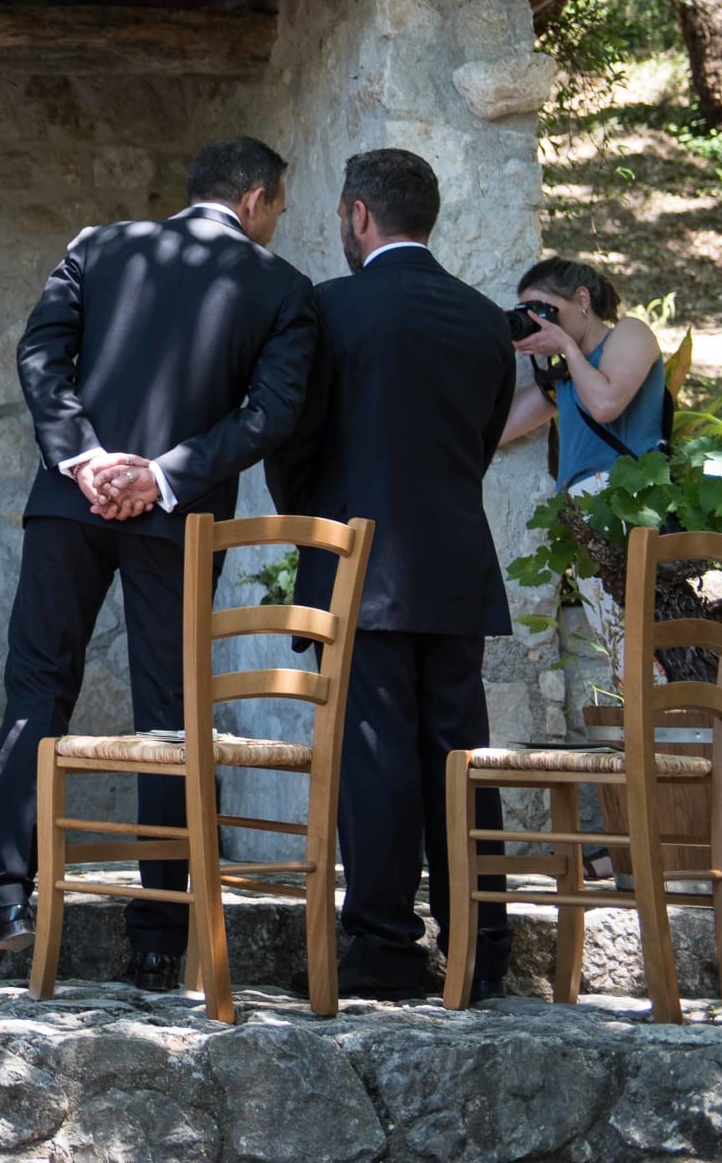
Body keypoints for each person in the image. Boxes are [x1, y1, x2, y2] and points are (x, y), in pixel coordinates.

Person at [0, 135, 318, 993]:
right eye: (281, 207)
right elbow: (272, 414)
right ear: (257, 199)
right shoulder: (283, 289)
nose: (278, 221)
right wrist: (161, 475)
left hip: (68, 505)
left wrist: (84, 460)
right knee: (170, 720)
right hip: (179, 522)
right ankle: (158, 937)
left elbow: (39, 355)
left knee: (36, 694)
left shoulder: (96, 245)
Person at [267, 149, 515, 1002]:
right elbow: (478, 447)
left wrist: (311, 513)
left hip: (355, 562)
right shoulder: (486, 319)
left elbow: (294, 437)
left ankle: (383, 949)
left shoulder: (331, 309)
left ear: (359, 215)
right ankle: (481, 944)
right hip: (452, 567)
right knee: (459, 759)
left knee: (374, 759)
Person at [500, 258, 668, 492]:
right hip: (579, 514)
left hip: (629, 501)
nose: (540, 323)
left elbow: (605, 405)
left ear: (582, 298)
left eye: (542, 310)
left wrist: (567, 346)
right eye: (530, 315)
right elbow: (495, 432)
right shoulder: (567, 378)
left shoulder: (631, 331)